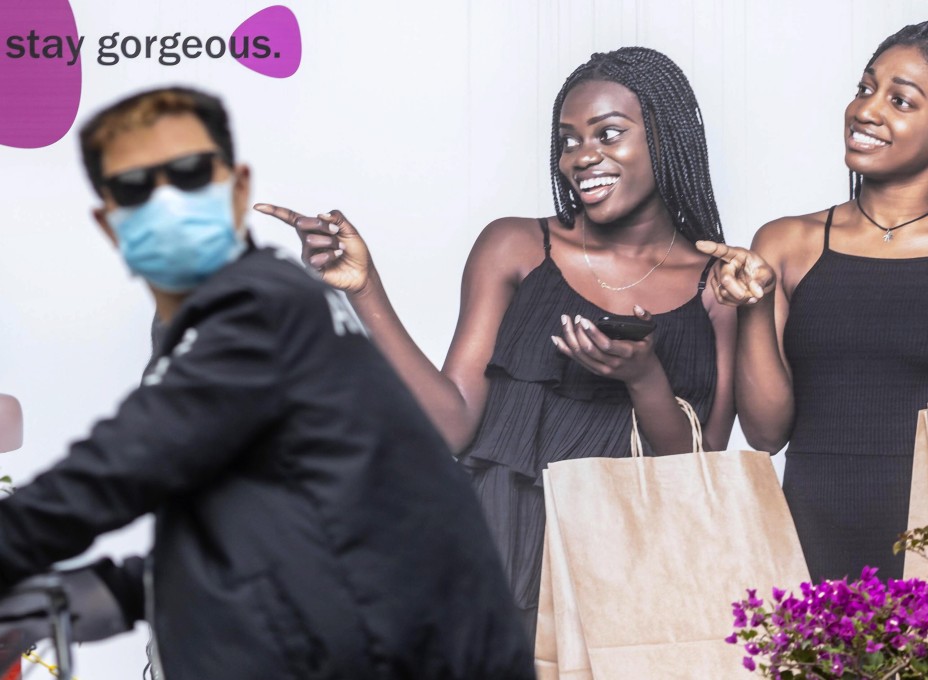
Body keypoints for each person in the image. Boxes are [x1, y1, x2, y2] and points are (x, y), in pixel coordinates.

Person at [0, 86, 534, 679]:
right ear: (110, 221)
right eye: (135, 190)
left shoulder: (262, 311)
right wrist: (127, 592)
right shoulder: (238, 313)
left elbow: (116, 469)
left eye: (191, 176)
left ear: (237, 190)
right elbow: (273, 524)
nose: (169, 205)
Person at [255, 46, 737, 640]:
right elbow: (452, 424)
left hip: (631, 571)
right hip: (498, 552)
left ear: (666, 138)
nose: (582, 158)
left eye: (608, 134)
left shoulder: (717, 283)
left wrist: (644, 378)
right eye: (567, 140)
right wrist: (363, 288)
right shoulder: (514, 248)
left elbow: (701, 471)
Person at [697, 17, 928, 583]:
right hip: (809, 528)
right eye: (865, 88)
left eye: (900, 100)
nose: (866, 111)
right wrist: (754, 304)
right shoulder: (785, 244)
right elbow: (768, 433)